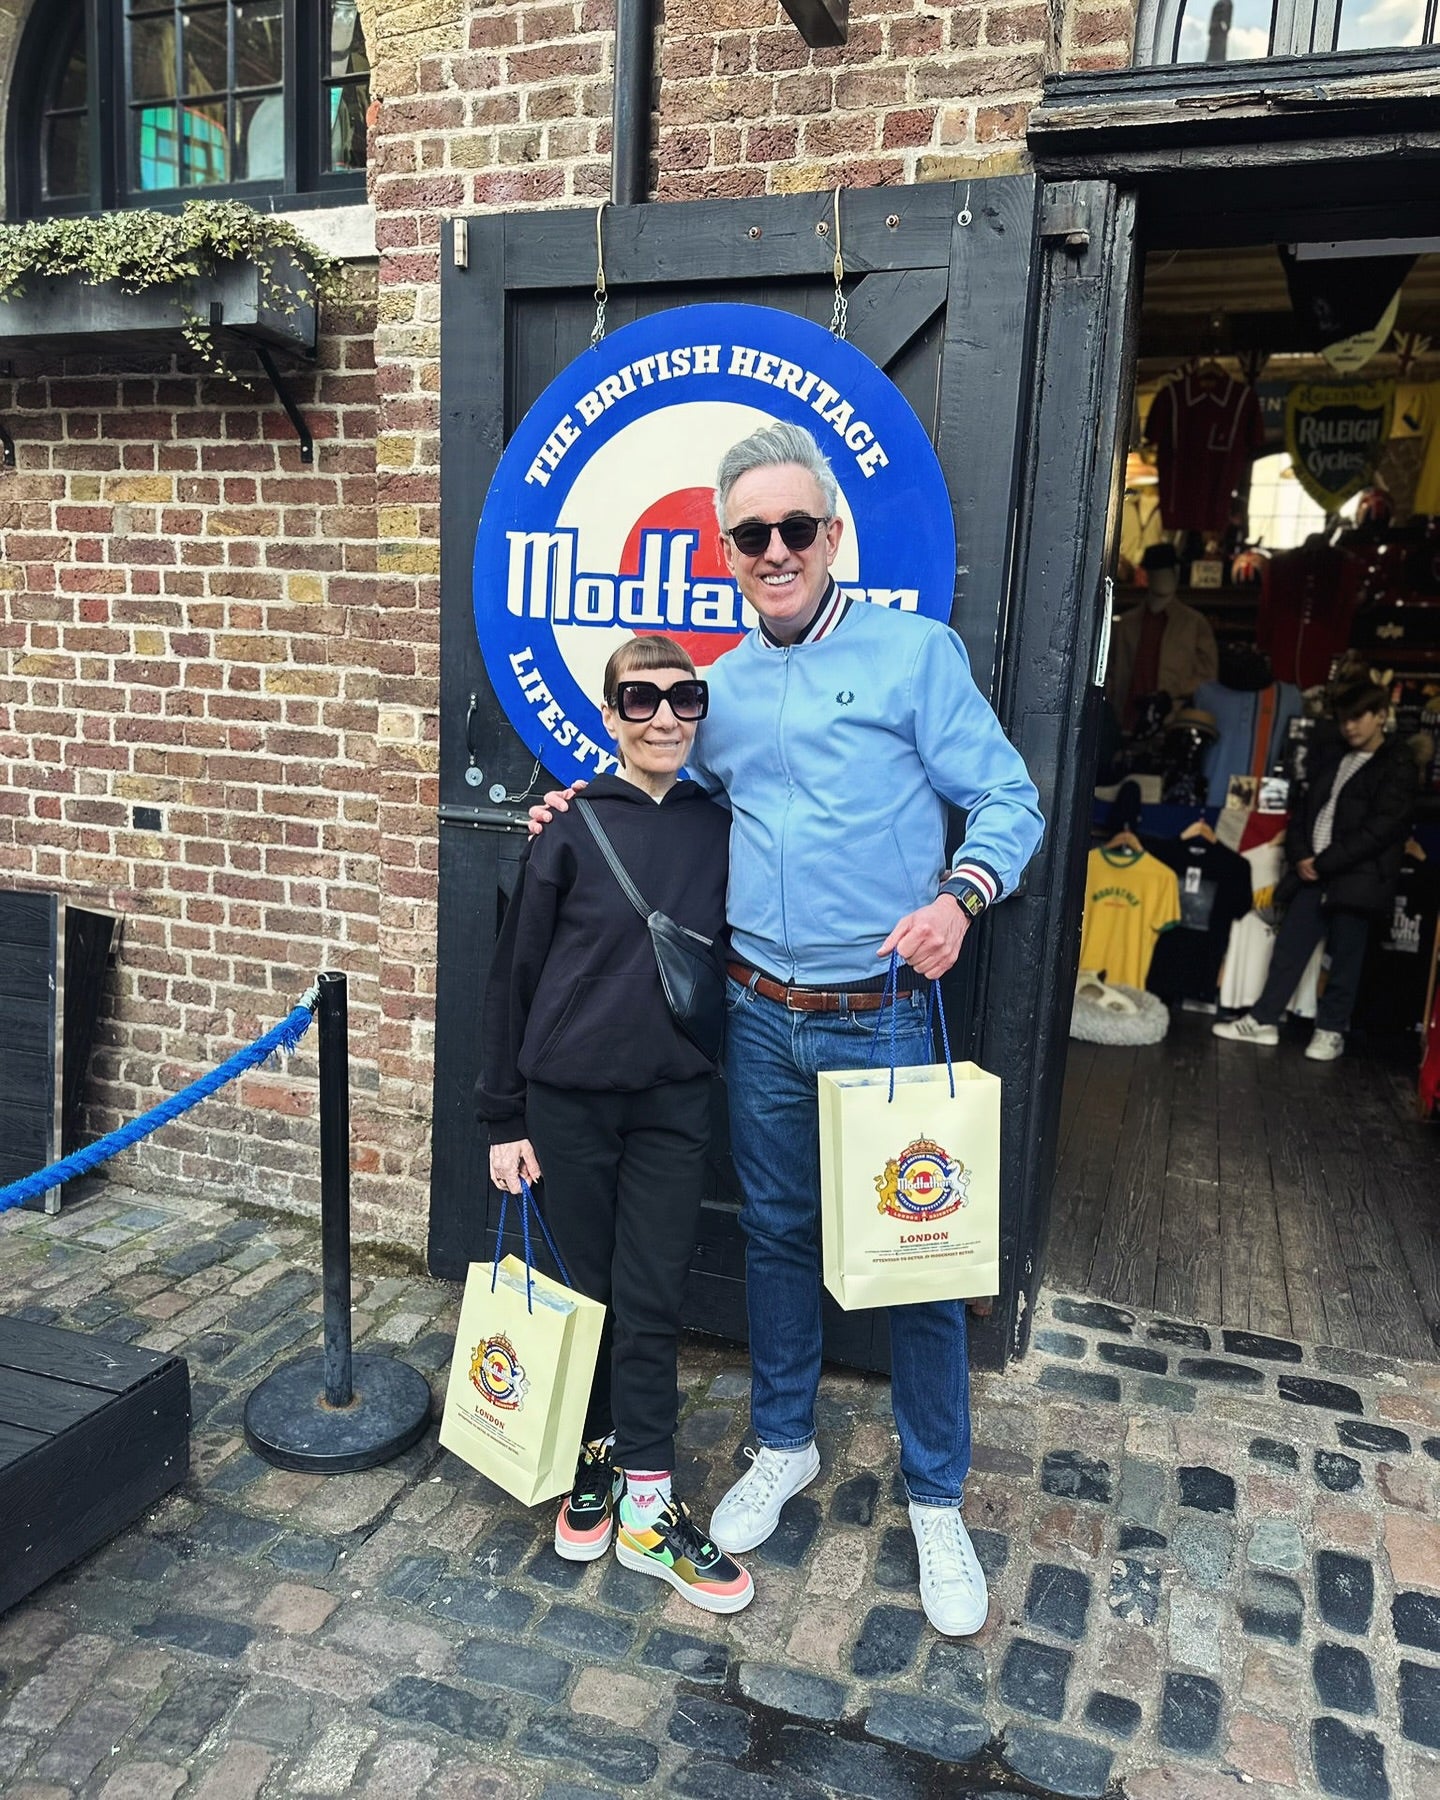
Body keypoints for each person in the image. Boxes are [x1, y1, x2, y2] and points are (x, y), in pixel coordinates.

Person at [535, 420, 1044, 1636]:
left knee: (920, 1269)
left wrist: (962, 898)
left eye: (795, 527)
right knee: (773, 1235)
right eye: (751, 533)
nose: (776, 549)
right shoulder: (721, 687)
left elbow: (1009, 796)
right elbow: (666, 793)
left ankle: (936, 1499)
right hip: (758, 1013)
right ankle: (783, 1442)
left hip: (884, 1015)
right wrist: (575, 805)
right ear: (725, 550)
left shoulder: (914, 655)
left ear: (833, 534)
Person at [476, 634, 753, 1615]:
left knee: (652, 1292)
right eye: (641, 700)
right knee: (582, 1291)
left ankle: (648, 1496)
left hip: (673, 1101)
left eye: (683, 699)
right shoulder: (566, 828)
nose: (664, 717)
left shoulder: (722, 828)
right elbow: (513, 975)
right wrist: (503, 1116)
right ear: (609, 715)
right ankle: (591, 1457)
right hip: (570, 1103)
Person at [1213, 678, 1418, 1062]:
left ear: (1381, 716)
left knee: (1345, 959)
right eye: (1344, 719)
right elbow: (1304, 812)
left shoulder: (1398, 764)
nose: (1350, 726)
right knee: (1289, 948)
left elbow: (1380, 829)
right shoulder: (1334, 756)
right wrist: (1302, 856)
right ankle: (1263, 1020)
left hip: (1357, 877)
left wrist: (1321, 862)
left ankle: (1330, 1031)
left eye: (1358, 717)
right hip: (1313, 871)